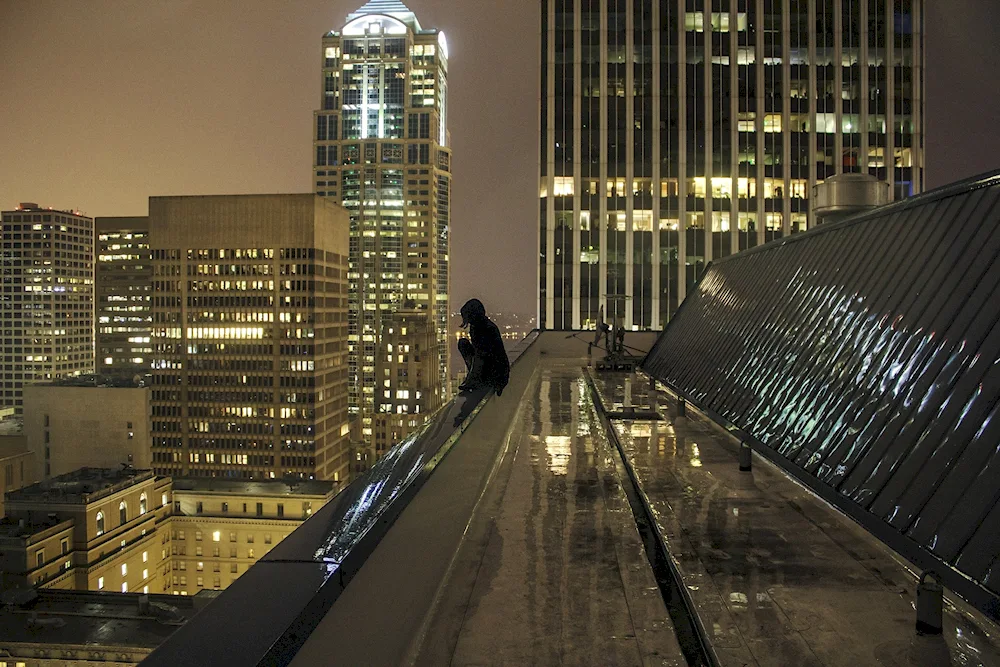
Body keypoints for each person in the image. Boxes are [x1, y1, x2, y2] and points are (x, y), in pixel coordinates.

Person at [457, 298, 510, 396]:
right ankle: (475, 378)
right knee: (463, 343)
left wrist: (471, 381)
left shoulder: (480, 329)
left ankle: (476, 380)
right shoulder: (486, 325)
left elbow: (480, 356)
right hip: (500, 374)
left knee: (463, 344)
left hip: (494, 375)